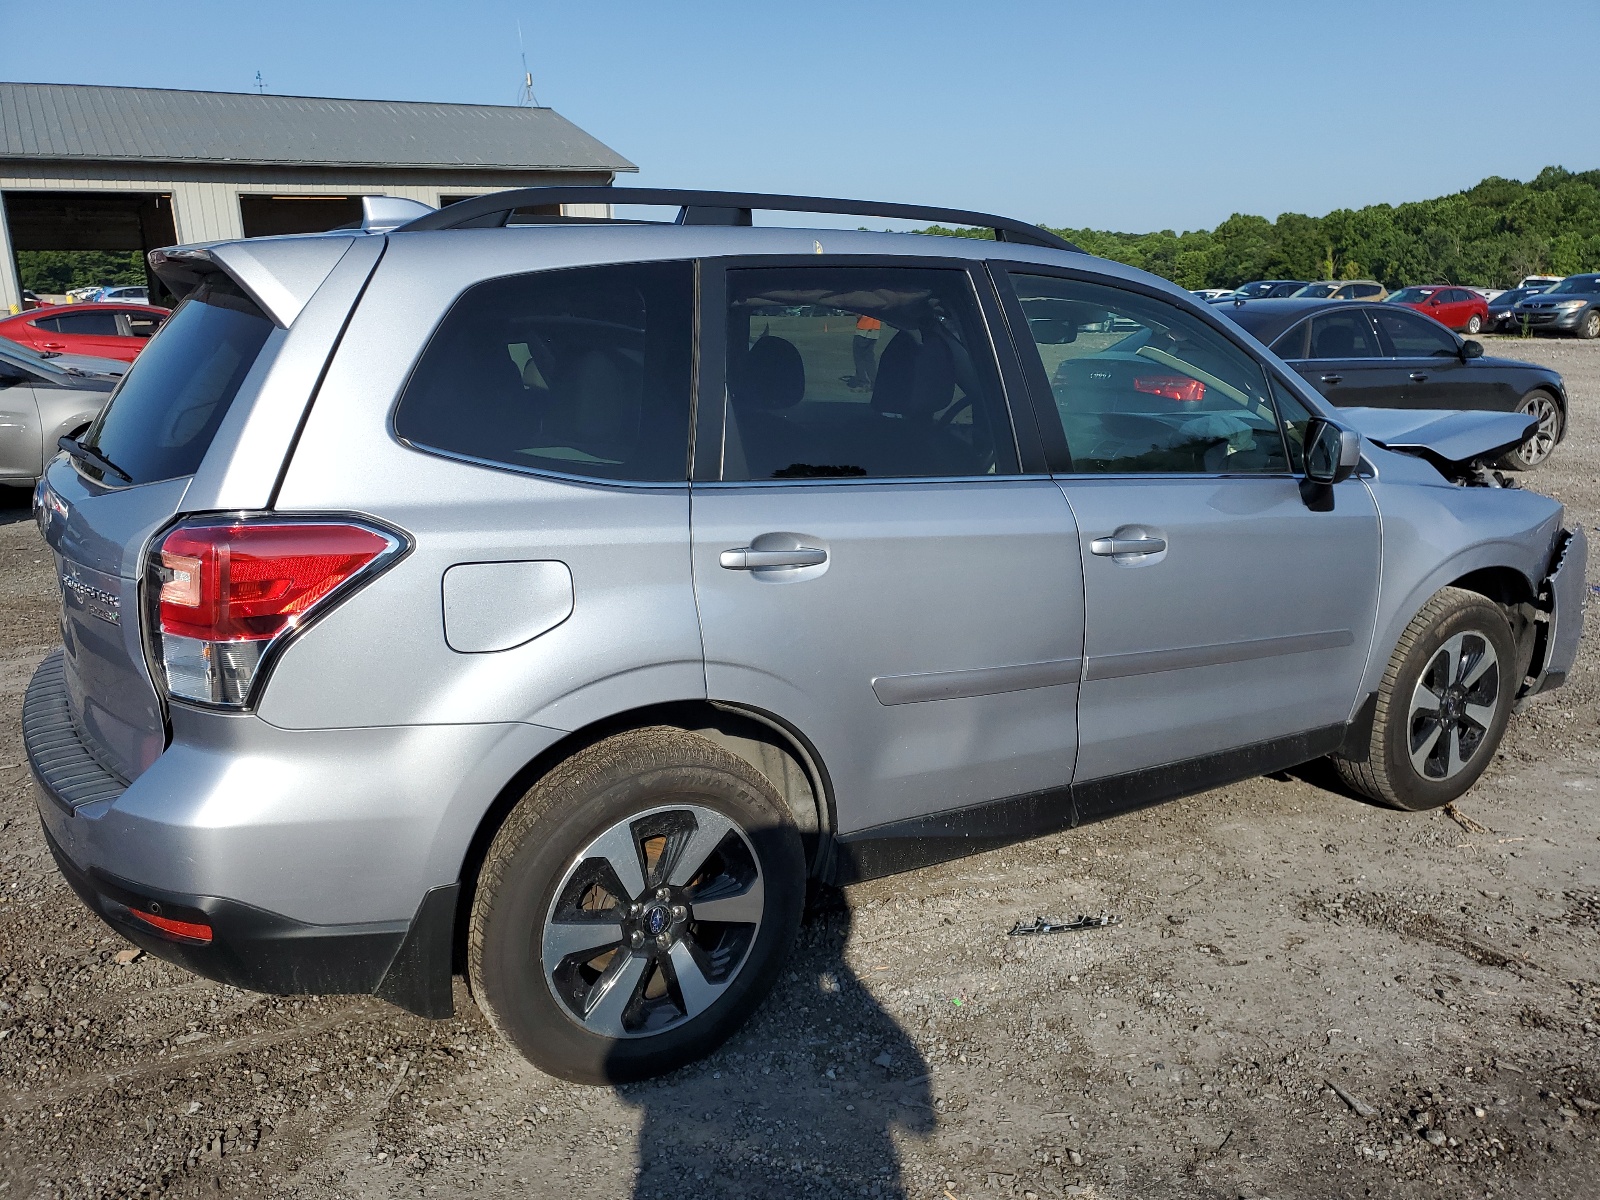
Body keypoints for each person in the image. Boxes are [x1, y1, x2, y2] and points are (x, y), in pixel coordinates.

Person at [847, 314, 882, 391]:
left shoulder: (864, 301)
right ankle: (874, 382)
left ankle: (863, 382)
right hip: (875, 329)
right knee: (869, 358)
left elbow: (858, 315)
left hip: (863, 328)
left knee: (859, 358)